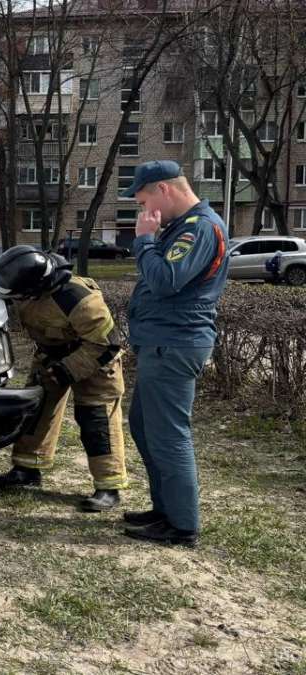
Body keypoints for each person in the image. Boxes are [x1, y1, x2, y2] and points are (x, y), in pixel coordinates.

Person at [120, 160, 229, 547]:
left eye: (144, 200)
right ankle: (164, 510)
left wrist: (145, 239)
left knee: (168, 435)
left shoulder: (198, 228)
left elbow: (165, 282)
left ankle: (181, 525)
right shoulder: (184, 227)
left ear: (163, 190)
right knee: (145, 427)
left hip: (175, 343)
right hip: (163, 342)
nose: (143, 211)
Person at [0, 245, 128, 512]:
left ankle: (108, 486)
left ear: (36, 287)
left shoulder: (79, 299)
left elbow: (106, 345)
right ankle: (27, 469)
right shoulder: (23, 284)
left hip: (95, 363)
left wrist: (68, 369)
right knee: (34, 412)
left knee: (96, 421)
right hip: (49, 358)